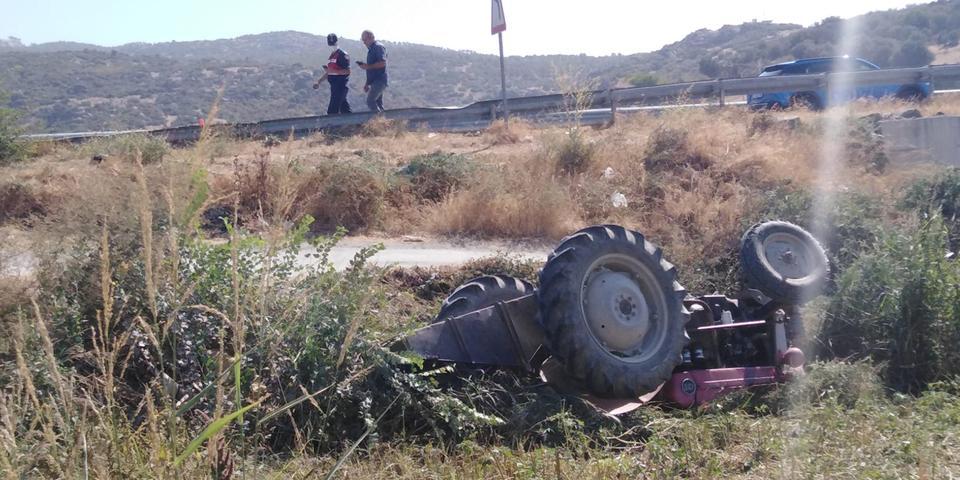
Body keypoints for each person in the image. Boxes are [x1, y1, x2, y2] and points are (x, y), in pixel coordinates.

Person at [313, 33, 352, 115]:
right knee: (345, 110)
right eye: (330, 43)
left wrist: (335, 71)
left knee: (332, 112)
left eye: (333, 43)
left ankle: (332, 127)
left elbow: (348, 71)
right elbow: (329, 72)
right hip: (334, 86)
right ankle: (354, 125)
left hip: (340, 86)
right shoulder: (332, 56)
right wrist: (319, 81)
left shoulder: (342, 54)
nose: (332, 45)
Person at [357, 30, 388, 112]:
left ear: (371, 37)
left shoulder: (378, 47)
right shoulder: (371, 50)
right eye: (362, 40)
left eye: (365, 40)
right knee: (378, 104)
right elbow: (371, 69)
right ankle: (384, 122)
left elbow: (382, 63)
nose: (364, 42)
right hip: (375, 81)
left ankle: (379, 121)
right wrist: (367, 83)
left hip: (379, 80)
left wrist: (367, 66)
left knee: (370, 101)